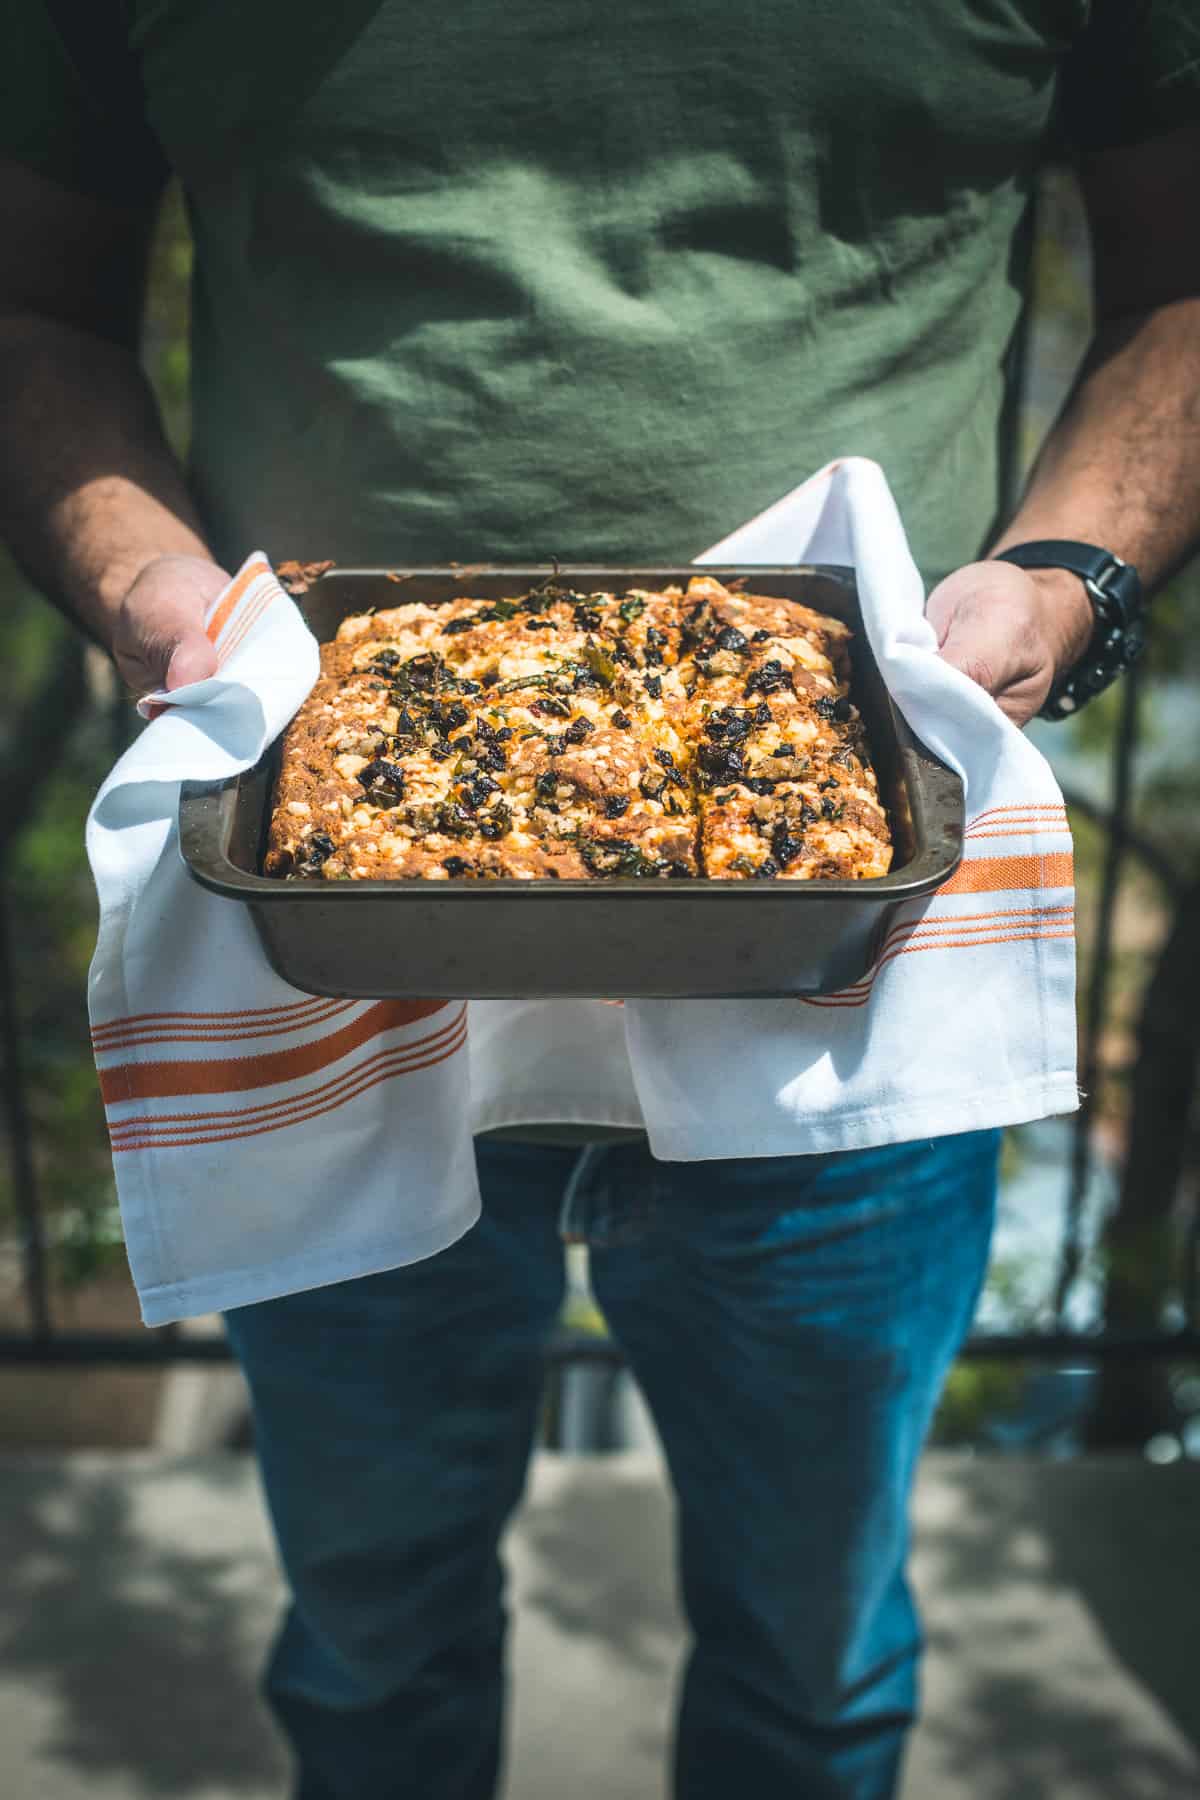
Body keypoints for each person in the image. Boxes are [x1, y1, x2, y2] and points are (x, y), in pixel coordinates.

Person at [1, 4, 1197, 1796]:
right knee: (367, 1642)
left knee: (814, 1661)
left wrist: (1068, 581)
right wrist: (153, 591)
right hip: (322, 967)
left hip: (861, 955)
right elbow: (38, 302)